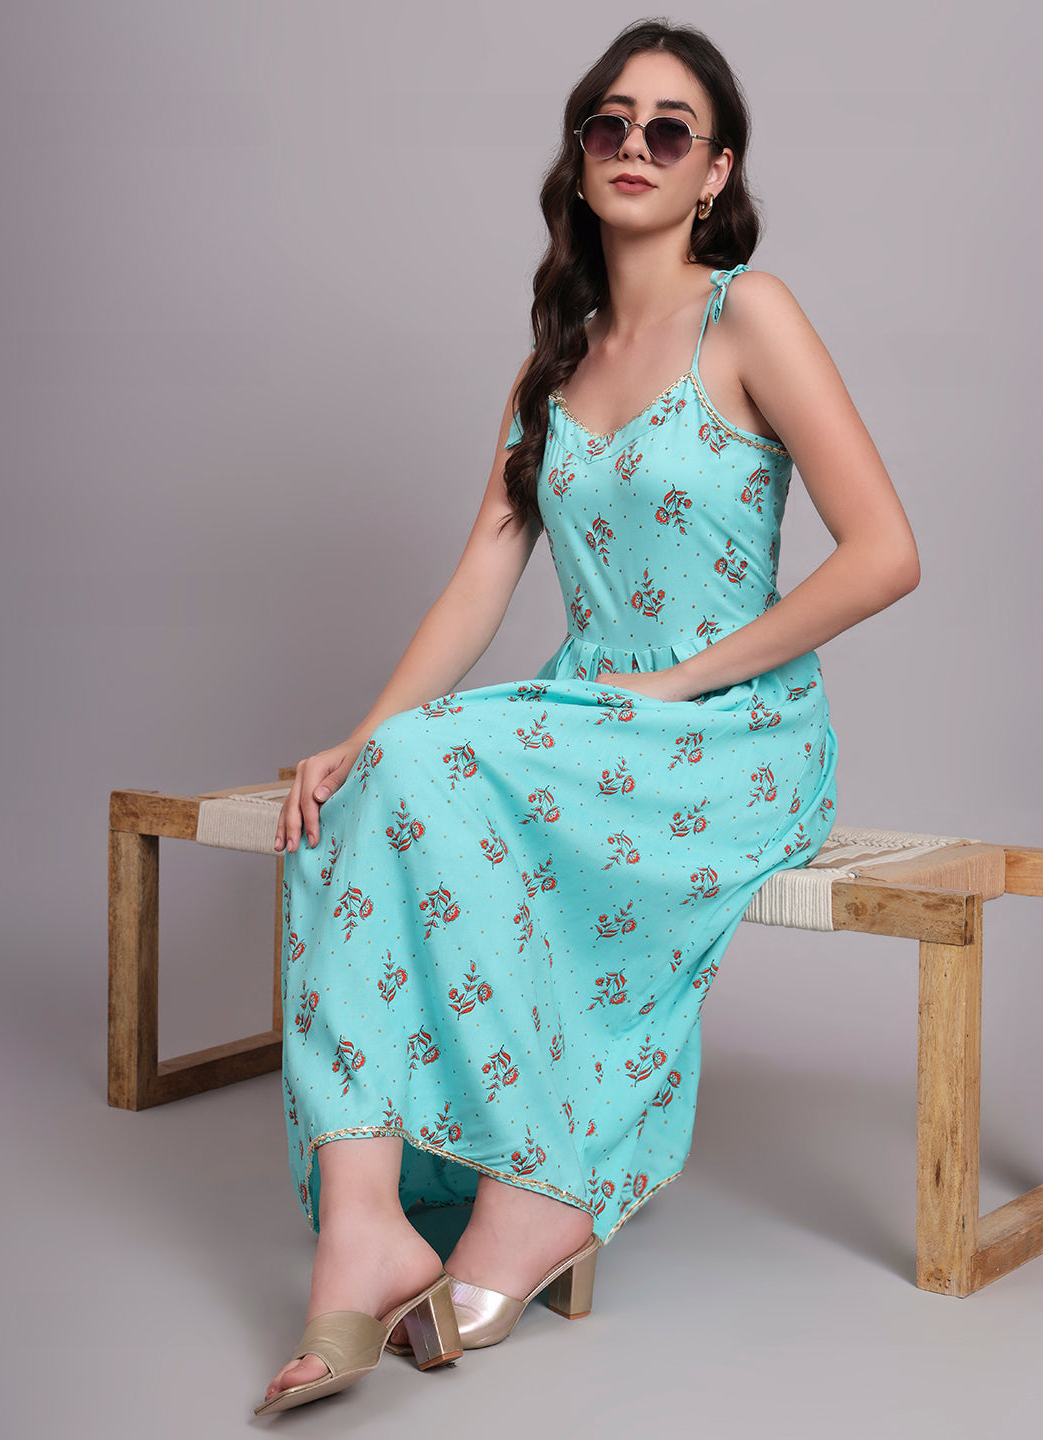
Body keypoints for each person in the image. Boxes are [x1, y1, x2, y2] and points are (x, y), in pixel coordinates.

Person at [257, 18, 920, 1415]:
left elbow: (884, 555)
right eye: (608, 123)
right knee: (381, 778)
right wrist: (360, 733)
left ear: (715, 171)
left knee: (436, 762)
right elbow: (479, 581)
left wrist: (682, 680)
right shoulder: (551, 365)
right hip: (589, 718)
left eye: (669, 129)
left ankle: (532, 1193)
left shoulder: (752, 314)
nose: (634, 146)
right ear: (579, 155)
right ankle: (366, 1225)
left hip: (732, 732)